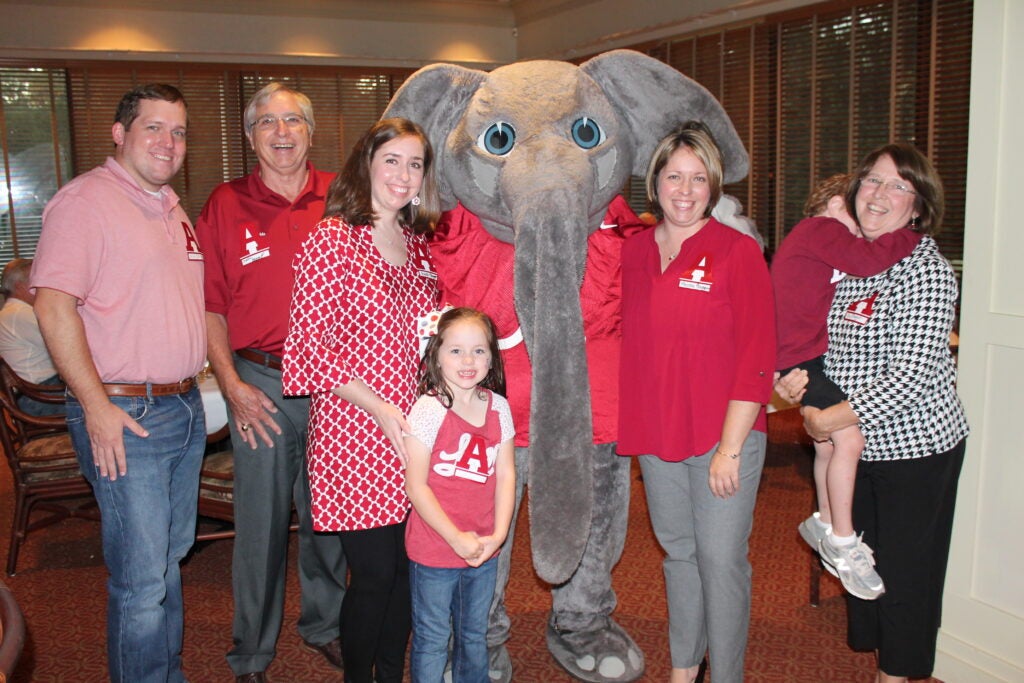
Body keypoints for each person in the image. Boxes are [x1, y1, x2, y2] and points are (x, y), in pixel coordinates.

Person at [31, 83, 206, 683]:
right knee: (139, 582)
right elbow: (53, 306)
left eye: (179, 132)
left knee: (167, 564)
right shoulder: (87, 201)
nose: (168, 142)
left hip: (182, 408)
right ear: (119, 132)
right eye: (154, 127)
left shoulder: (170, 208)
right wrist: (95, 405)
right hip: (126, 416)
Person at [777, 143, 968, 683]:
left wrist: (826, 420)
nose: (880, 194)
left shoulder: (925, 271)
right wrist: (795, 384)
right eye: (872, 181)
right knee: (865, 564)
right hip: (856, 444)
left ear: (919, 206)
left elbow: (911, 377)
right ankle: (880, 660)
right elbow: (818, 339)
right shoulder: (848, 255)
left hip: (915, 447)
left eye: (898, 186)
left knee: (906, 575)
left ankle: (897, 674)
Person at [194, 82, 347, 683]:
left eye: (292, 121)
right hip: (259, 383)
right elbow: (209, 305)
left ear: (310, 131)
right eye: (267, 123)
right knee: (258, 529)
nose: (281, 133)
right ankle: (251, 654)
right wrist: (230, 383)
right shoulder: (225, 204)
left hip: (337, 389)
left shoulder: (344, 196)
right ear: (250, 135)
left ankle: (325, 626)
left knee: (329, 520)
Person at [282, 117, 441, 683]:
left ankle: (391, 674)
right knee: (373, 574)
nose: (403, 174)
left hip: (414, 433)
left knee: (406, 570)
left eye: (415, 163)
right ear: (366, 165)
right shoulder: (334, 240)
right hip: (356, 433)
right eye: (391, 160)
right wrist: (380, 407)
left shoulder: (421, 248)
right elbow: (305, 353)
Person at [617, 121, 776, 683]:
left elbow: (758, 356)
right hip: (657, 436)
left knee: (720, 561)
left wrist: (730, 449)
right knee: (680, 557)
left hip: (721, 437)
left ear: (714, 186)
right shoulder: (633, 252)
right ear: (655, 182)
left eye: (698, 179)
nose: (685, 190)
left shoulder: (736, 253)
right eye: (673, 176)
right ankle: (685, 670)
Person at [770, 173, 921, 600]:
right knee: (850, 441)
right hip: (799, 357)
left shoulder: (816, 239)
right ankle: (842, 539)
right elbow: (868, 260)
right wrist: (912, 234)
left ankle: (822, 520)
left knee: (827, 446)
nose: (860, 228)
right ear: (837, 204)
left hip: (803, 356)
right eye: (855, 216)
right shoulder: (822, 229)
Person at [404, 307, 515, 683]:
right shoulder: (428, 409)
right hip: (435, 549)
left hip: (484, 549)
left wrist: (497, 536)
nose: (468, 361)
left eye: (479, 350)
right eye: (455, 350)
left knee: (473, 636)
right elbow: (416, 486)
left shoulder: (499, 407)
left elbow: (506, 475)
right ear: (436, 354)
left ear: (492, 356)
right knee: (433, 638)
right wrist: (455, 538)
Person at [0, 257, 65, 416]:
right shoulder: (21, 314)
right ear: (19, 286)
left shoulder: (10, 313)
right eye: (36, 282)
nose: (43, 287)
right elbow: (64, 346)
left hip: (33, 394)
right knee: (107, 401)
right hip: (38, 398)